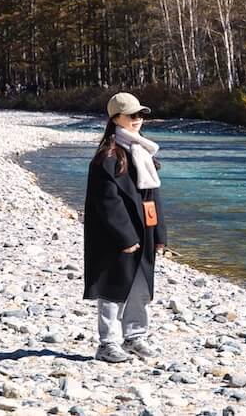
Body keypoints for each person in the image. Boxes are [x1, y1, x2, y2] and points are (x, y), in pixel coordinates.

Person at [83, 92, 167, 363]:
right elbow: (107, 202)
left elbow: (153, 197)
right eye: (132, 115)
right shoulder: (106, 157)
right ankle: (107, 344)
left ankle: (135, 338)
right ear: (115, 118)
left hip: (145, 231)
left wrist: (160, 235)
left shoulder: (143, 151)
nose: (138, 120)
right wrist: (125, 237)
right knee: (113, 289)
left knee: (141, 289)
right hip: (116, 237)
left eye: (141, 115)